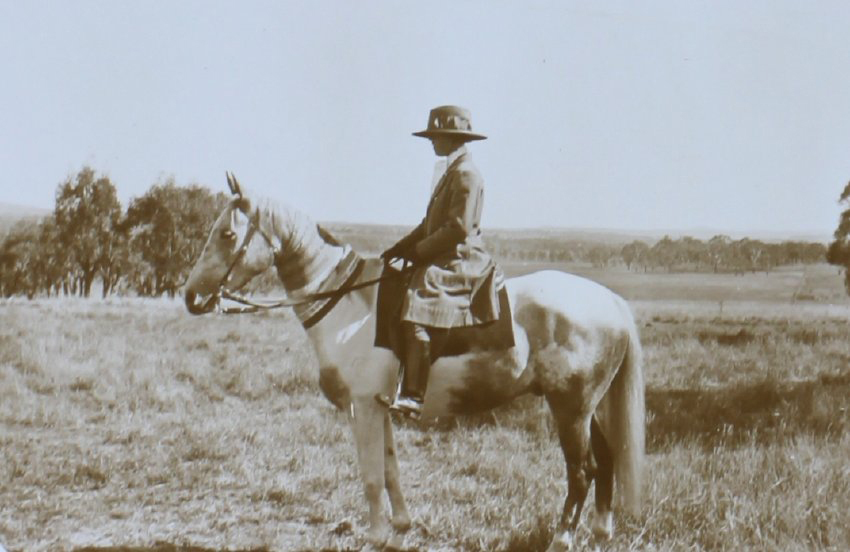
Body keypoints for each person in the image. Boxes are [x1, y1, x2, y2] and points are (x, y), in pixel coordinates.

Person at [382, 105, 504, 419]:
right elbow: (429, 224)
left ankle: (413, 396)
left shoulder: (465, 174)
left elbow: (458, 228)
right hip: (445, 253)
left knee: (417, 303)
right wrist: (399, 248)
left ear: (452, 139)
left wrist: (419, 253)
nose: (432, 142)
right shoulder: (451, 171)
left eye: (436, 136)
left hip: (460, 259)